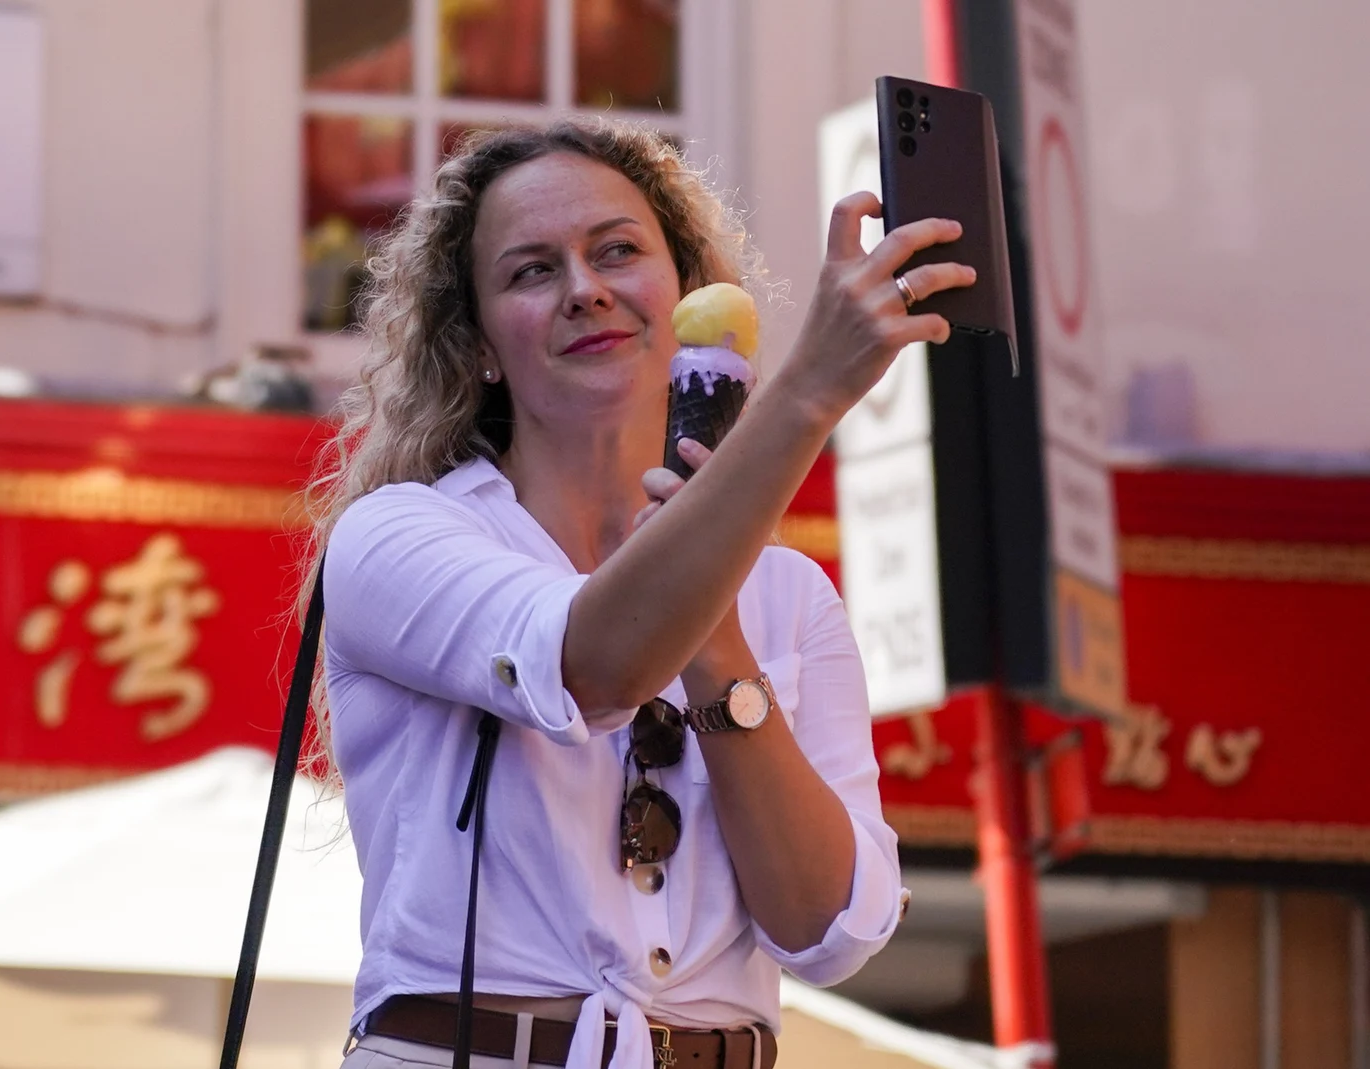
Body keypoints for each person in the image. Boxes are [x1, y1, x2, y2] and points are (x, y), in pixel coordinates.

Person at [304, 119, 976, 1069]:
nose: (585, 288)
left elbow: (828, 927)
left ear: (694, 300)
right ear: (481, 345)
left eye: (617, 250)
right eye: (532, 271)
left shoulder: (789, 593)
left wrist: (721, 644)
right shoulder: (400, 535)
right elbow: (594, 665)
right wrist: (807, 395)